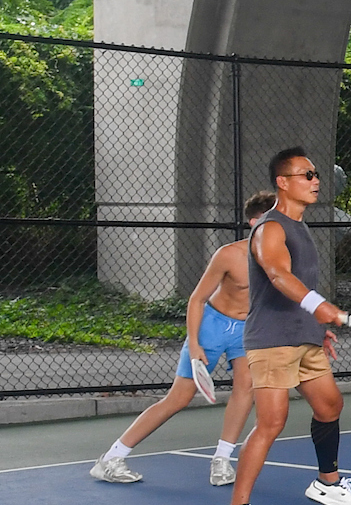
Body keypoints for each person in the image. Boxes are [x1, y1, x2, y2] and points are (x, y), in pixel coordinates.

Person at [220, 147, 351, 505]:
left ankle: (327, 484)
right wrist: (321, 307)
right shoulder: (270, 228)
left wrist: (316, 326)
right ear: (283, 182)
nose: (316, 180)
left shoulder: (301, 227)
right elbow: (276, 273)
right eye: (306, 175)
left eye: (316, 174)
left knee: (330, 404)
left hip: (303, 336)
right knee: (271, 421)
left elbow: (298, 283)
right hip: (271, 339)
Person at [90, 191, 278, 486]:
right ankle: (112, 458)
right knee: (179, 398)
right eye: (276, 220)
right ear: (256, 222)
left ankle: (221, 461)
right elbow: (196, 299)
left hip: (247, 330)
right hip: (211, 326)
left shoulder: (281, 257)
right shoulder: (229, 255)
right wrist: (194, 343)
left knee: (246, 389)